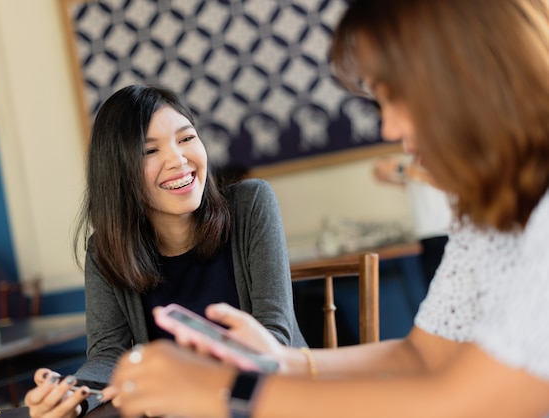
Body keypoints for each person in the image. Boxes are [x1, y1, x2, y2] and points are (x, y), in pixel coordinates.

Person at [98, 1, 549, 417]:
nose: (388, 125)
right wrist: (286, 362)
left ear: (470, 77)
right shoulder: (491, 220)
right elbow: (421, 355)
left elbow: (452, 401)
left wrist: (223, 390)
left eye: (395, 97)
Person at [24, 84, 306, 417]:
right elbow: (107, 355)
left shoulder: (251, 204)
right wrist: (73, 396)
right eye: (149, 151)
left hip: (271, 401)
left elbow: (274, 335)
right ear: (119, 173)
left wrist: (188, 382)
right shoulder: (105, 250)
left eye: (186, 139)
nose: (178, 159)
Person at [373, 156, 452, 288]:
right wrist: (387, 178)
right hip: (427, 236)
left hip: (441, 233)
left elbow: (427, 178)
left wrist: (397, 168)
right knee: (435, 286)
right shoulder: (412, 162)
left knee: (445, 286)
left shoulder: (432, 156)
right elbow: (413, 185)